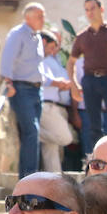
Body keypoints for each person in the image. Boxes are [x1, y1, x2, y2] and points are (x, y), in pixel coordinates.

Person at [67, 0, 107, 150]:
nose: (90, 12)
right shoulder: (82, 36)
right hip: (90, 80)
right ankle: (96, 158)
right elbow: (71, 62)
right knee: (93, 123)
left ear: (101, 9)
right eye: (87, 9)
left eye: (92, 8)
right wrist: (74, 84)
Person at [0, 2, 46, 178]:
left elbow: (35, 66)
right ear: (28, 18)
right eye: (40, 16)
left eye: (43, 16)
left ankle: (30, 176)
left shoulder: (36, 37)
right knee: (31, 131)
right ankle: (28, 177)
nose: (43, 20)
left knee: (33, 133)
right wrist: (8, 83)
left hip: (36, 90)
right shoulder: (18, 34)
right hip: (21, 89)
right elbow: (7, 59)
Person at [38, 30, 73, 173]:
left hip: (52, 104)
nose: (54, 50)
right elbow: (39, 78)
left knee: (51, 149)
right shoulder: (38, 59)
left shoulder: (51, 60)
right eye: (52, 46)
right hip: (46, 104)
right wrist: (57, 83)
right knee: (66, 138)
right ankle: (36, 134)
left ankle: (54, 178)